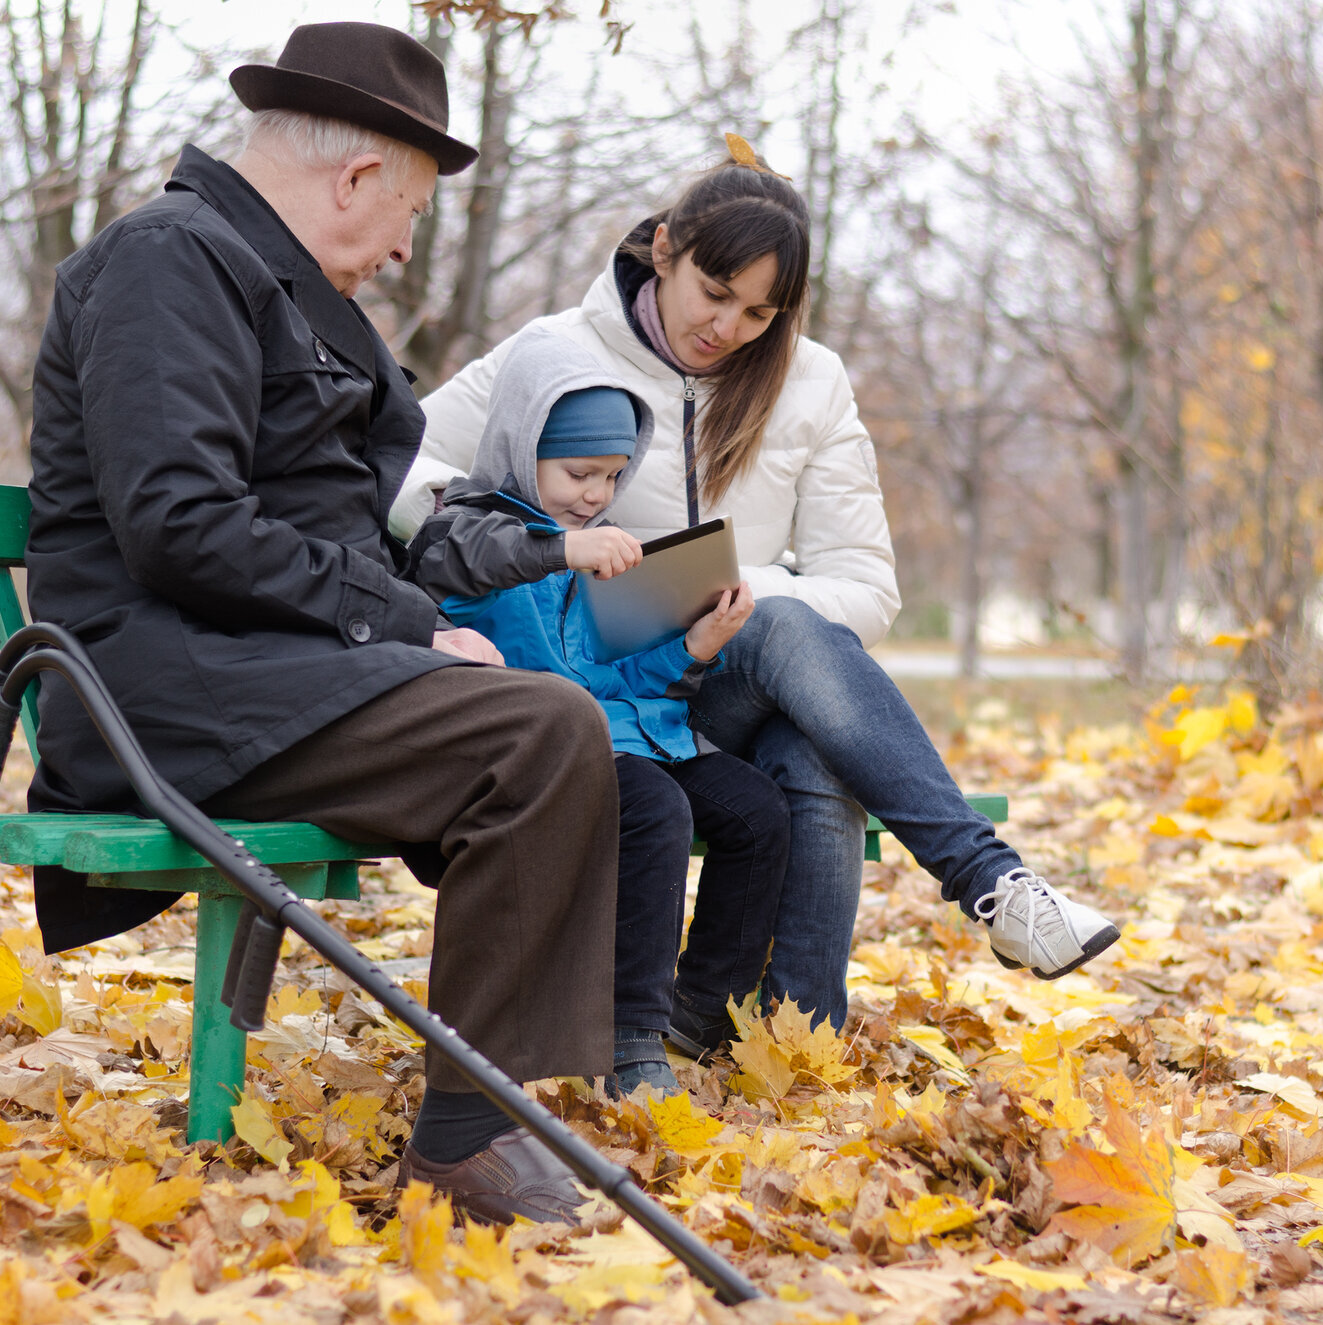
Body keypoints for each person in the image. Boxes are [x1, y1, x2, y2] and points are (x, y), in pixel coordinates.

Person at [24, 23, 614, 1224]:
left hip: (262, 667)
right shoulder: (166, 264)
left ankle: (541, 1085)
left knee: (618, 763)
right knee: (540, 735)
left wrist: (429, 606)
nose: (402, 249)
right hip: (159, 686)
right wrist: (401, 622)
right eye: (405, 216)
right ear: (354, 177)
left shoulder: (260, 278)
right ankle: (464, 1141)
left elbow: (328, 512)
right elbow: (179, 524)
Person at [393, 144, 1120, 1042]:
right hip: (593, 681)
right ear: (664, 250)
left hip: (726, 676)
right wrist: (545, 547)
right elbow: (392, 466)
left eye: (759, 311)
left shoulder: (811, 381)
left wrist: (730, 587)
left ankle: (813, 1025)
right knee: (813, 753)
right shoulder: (558, 353)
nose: (729, 328)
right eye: (715, 292)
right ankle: (796, 1010)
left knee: (786, 642)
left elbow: (865, 591)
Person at [406, 327, 789, 1098]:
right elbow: (461, 559)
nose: (595, 494)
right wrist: (556, 551)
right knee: (653, 810)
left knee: (757, 811)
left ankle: (701, 1011)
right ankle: (629, 1034)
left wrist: (694, 645)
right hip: (537, 750)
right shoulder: (470, 526)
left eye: (612, 476)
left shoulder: (591, 541)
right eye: (579, 472)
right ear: (524, 447)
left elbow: (612, 668)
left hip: (627, 732)